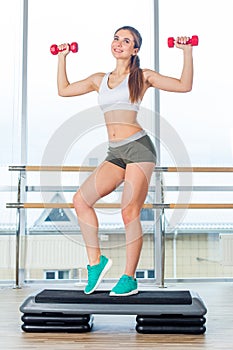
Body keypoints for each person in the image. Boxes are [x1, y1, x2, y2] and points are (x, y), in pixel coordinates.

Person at [56, 25, 193, 296]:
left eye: (126, 40)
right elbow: (64, 90)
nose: (119, 43)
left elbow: (184, 85)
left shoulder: (142, 76)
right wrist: (62, 58)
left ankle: (129, 278)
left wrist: (186, 52)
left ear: (135, 50)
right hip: (115, 152)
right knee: (81, 200)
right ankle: (96, 263)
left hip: (139, 149)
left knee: (128, 210)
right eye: (116, 38)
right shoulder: (100, 79)